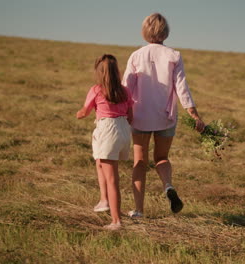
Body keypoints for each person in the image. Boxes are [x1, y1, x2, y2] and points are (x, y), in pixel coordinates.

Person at [122, 13, 205, 218]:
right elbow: (181, 87)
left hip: (140, 116)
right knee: (161, 158)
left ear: (144, 31)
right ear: (165, 32)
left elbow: (126, 88)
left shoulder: (136, 56)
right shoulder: (174, 55)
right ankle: (168, 186)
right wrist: (193, 114)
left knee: (139, 162)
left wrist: (121, 112)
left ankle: (139, 210)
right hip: (166, 117)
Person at [76, 54, 133, 230]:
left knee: (112, 179)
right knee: (100, 162)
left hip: (107, 129)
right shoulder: (125, 91)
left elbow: (85, 112)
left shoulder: (96, 90)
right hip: (124, 129)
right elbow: (131, 115)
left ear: (99, 73)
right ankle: (104, 200)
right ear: (117, 72)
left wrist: (79, 114)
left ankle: (116, 221)